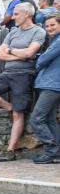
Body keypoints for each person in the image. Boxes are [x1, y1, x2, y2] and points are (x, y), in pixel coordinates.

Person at [0, 2, 45, 161]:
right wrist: (22, 55)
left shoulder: (38, 32)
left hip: (25, 74)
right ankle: (10, 106)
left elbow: (30, 51)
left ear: (27, 14)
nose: (12, 17)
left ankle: (10, 150)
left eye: (16, 14)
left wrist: (12, 51)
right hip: (7, 73)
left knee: (18, 114)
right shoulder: (13, 32)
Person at [29, 14, 60, 164]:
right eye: (47, 26)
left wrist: (39, 59)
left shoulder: (59, 41)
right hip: (49, 84)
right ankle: (57, 153)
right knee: (50, 120)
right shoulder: (54, 41)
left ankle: (51, 150)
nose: (49, 28)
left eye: (53, 25)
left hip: (52, 85)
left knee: (36, 118)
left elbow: (42, 60)